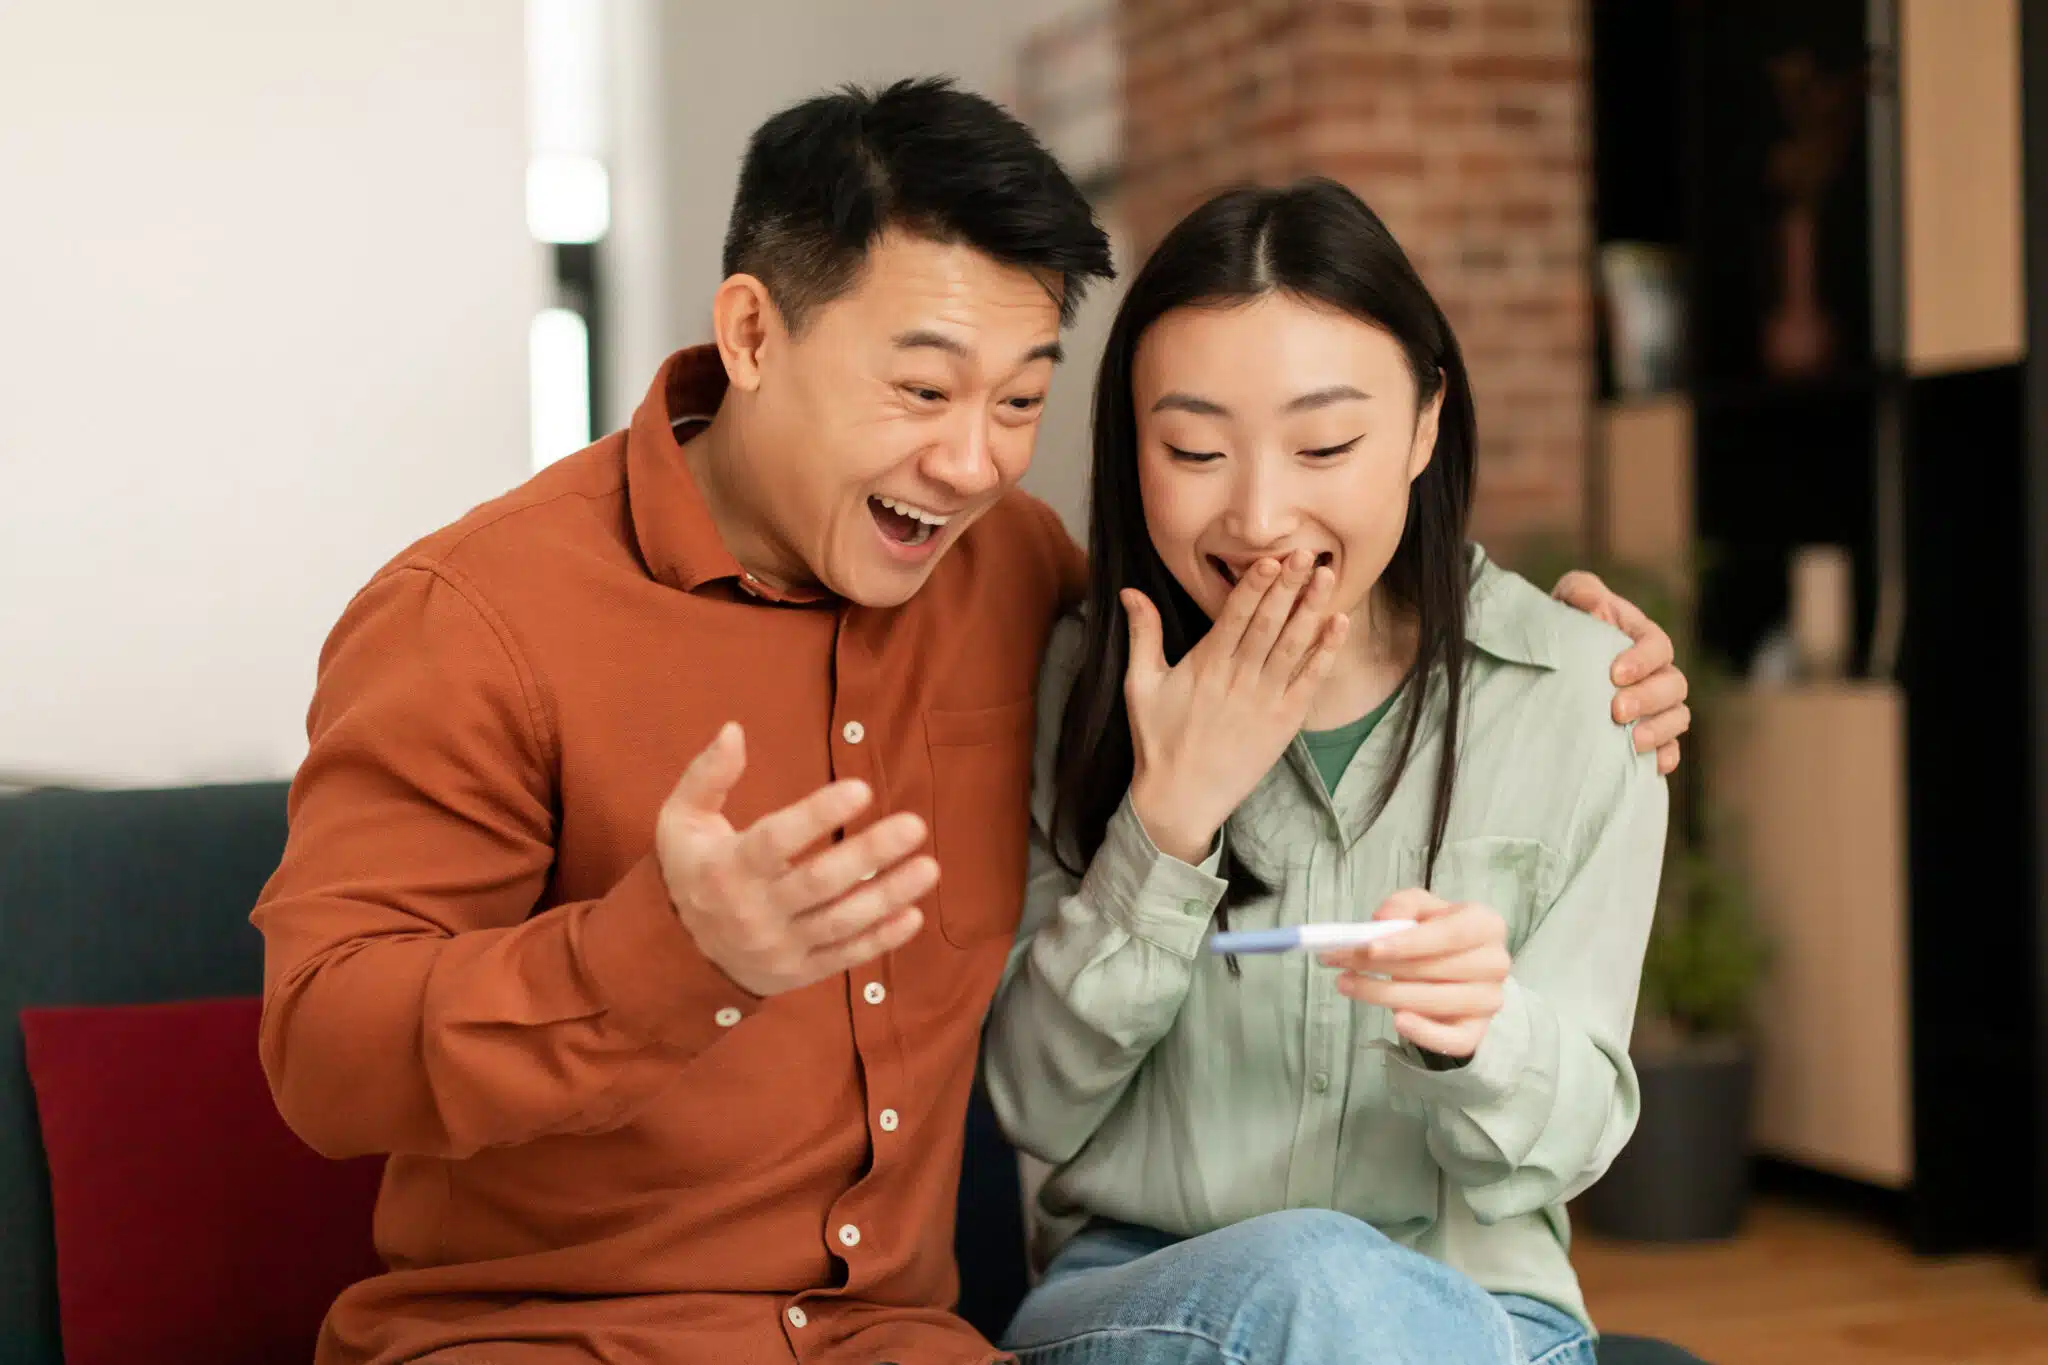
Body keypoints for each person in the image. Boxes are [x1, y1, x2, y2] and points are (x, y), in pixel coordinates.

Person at [253, 80, 1690, 1365]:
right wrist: (667, 955)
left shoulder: (1022, 589)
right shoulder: (475, 614)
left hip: (896, 1340)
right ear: (753, 332)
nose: (970, 461)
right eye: (924, 388)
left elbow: (1282, 577)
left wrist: (1576, 647)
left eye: (1021, 401)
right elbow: (323, 1050)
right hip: (555, 1337)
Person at [984, 178, 1670, 1365]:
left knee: (1353, 1301)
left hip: (1483, 1319)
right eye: (1192, 448)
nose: (1255, 515)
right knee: (1320, 1283)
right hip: (1147, 1302)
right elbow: (1029, 1102)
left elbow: (1572, 1144)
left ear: (1421, 425)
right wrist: (1166, 824)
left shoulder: (1581, 695)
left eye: (1324, 445)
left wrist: (1480, 1036)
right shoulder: (1072, 680)